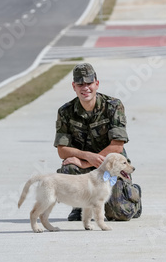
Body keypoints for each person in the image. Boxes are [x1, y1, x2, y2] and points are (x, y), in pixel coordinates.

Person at [53, 63, 142, 221]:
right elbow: (62, 150)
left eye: (89, 83)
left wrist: (90, 163)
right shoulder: (65, 111)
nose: (85, 88)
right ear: (74, 86)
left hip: (111, 164)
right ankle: (80, 206)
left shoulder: (113, 106)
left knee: (119, 214)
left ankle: (133, 195)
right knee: (69, 165)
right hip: (84, 166)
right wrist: (86, 156)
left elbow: (117, 145)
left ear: (97, 84)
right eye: (80, 84)